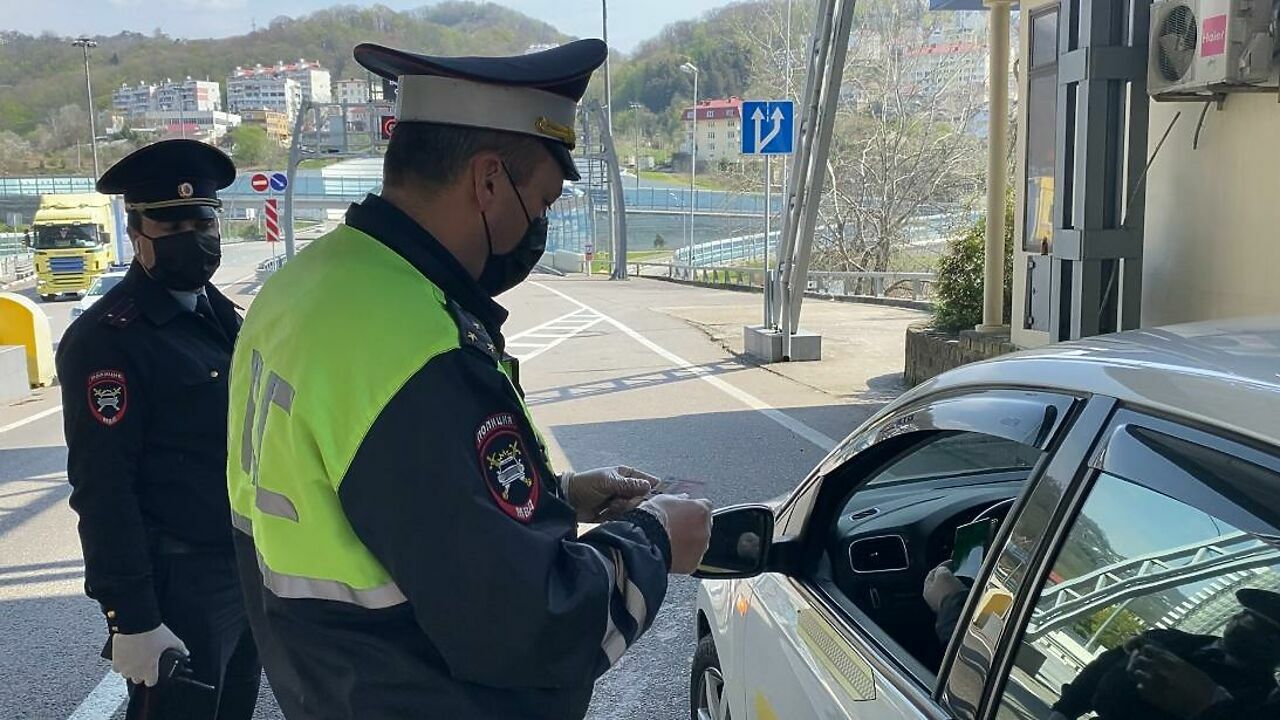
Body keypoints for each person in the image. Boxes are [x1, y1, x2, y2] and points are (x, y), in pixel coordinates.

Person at [226, 39, 714, 719]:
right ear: (488, 182)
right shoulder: (413, 348)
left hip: (327, 684)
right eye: (541, 200)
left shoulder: (306, 287)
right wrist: (658, 537)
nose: (540, 224)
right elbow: (527, 624)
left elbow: (373, 497)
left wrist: (558, 493)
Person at [56, 139, 260, 719]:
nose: (192, 237)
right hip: (178, 583)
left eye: (203, 220)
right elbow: (103, 487)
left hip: (241, 567)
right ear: (136, 229)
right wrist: (133, 618)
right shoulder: (109, 339)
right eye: (171, 224)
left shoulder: (223, 318)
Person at [1049, 588, 1280, 720]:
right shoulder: (1165, 640)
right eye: (1246, 615)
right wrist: (1062, 712)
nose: (1241, 622)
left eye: (1265, 630)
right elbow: (1100, 669)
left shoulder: (1256, 707)